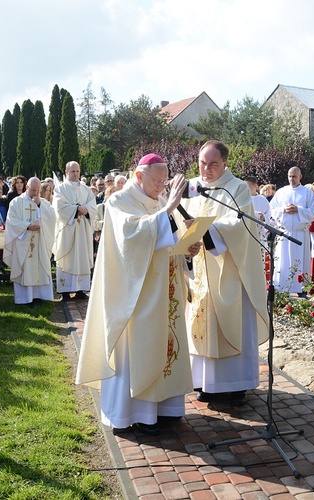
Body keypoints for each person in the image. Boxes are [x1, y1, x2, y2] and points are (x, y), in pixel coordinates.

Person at [77, 153, 200, 435]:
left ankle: (166, 408)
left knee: (165, 344)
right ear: (139, 176)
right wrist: (168, 209)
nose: (161, 185)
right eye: (157, 180)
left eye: (165, 180)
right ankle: (135, 414)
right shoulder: (119, 201)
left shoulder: (159, 202)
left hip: (164, 291)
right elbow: (131, 240)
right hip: (134, 296)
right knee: (136, 350)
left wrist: (186, 250)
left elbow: (166, 244)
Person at [182, 140, 269, 405]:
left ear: (225, 164)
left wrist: (205, 230)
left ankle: (234, 384)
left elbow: (240, 224)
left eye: (213, 164)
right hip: (198, 270)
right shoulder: (191, 187)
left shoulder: (237, 188)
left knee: (231, 324)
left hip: (228, 270)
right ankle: (203, 382)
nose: (206, 169)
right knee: (198, 324)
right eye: (202, 163)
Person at [3, 177, 56, 305]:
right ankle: (25, 298)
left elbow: (52, 218)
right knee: (25, 267)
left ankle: (41, 296)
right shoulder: (16, 202)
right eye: (33, 190)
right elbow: (11, 221)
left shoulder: (43, 202)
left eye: (38, 190)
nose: (36, 193)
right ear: (27, 187)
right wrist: (26, 226)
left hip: (40, 241)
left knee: (40, 265)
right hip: (23, 241)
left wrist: (39, 205)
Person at [269, 167, 314, 296]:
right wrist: (283, 210)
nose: (291, 179)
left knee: (300, 261)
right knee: (283, 261)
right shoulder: (281, 192)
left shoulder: (307, 193)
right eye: (290, 176)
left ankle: (301, 288)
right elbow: (272, 210)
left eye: (294, 176)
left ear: (300, 176)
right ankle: (282, 288)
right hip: (284, 233)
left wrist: (299, 210)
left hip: (300, 233)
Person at [52, 161, 96, 300]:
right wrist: (76, 209)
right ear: (66, 172)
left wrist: (87, 209)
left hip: (82, 229)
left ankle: (81, 289)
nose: (75, 174)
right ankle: (65, 291)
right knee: (68, 257)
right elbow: (59, 207)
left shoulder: (86, 189)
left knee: (82, 257)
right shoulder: (61, 189)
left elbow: (93, 205)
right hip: (67, 229)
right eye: (72, 171)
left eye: (77, 171)